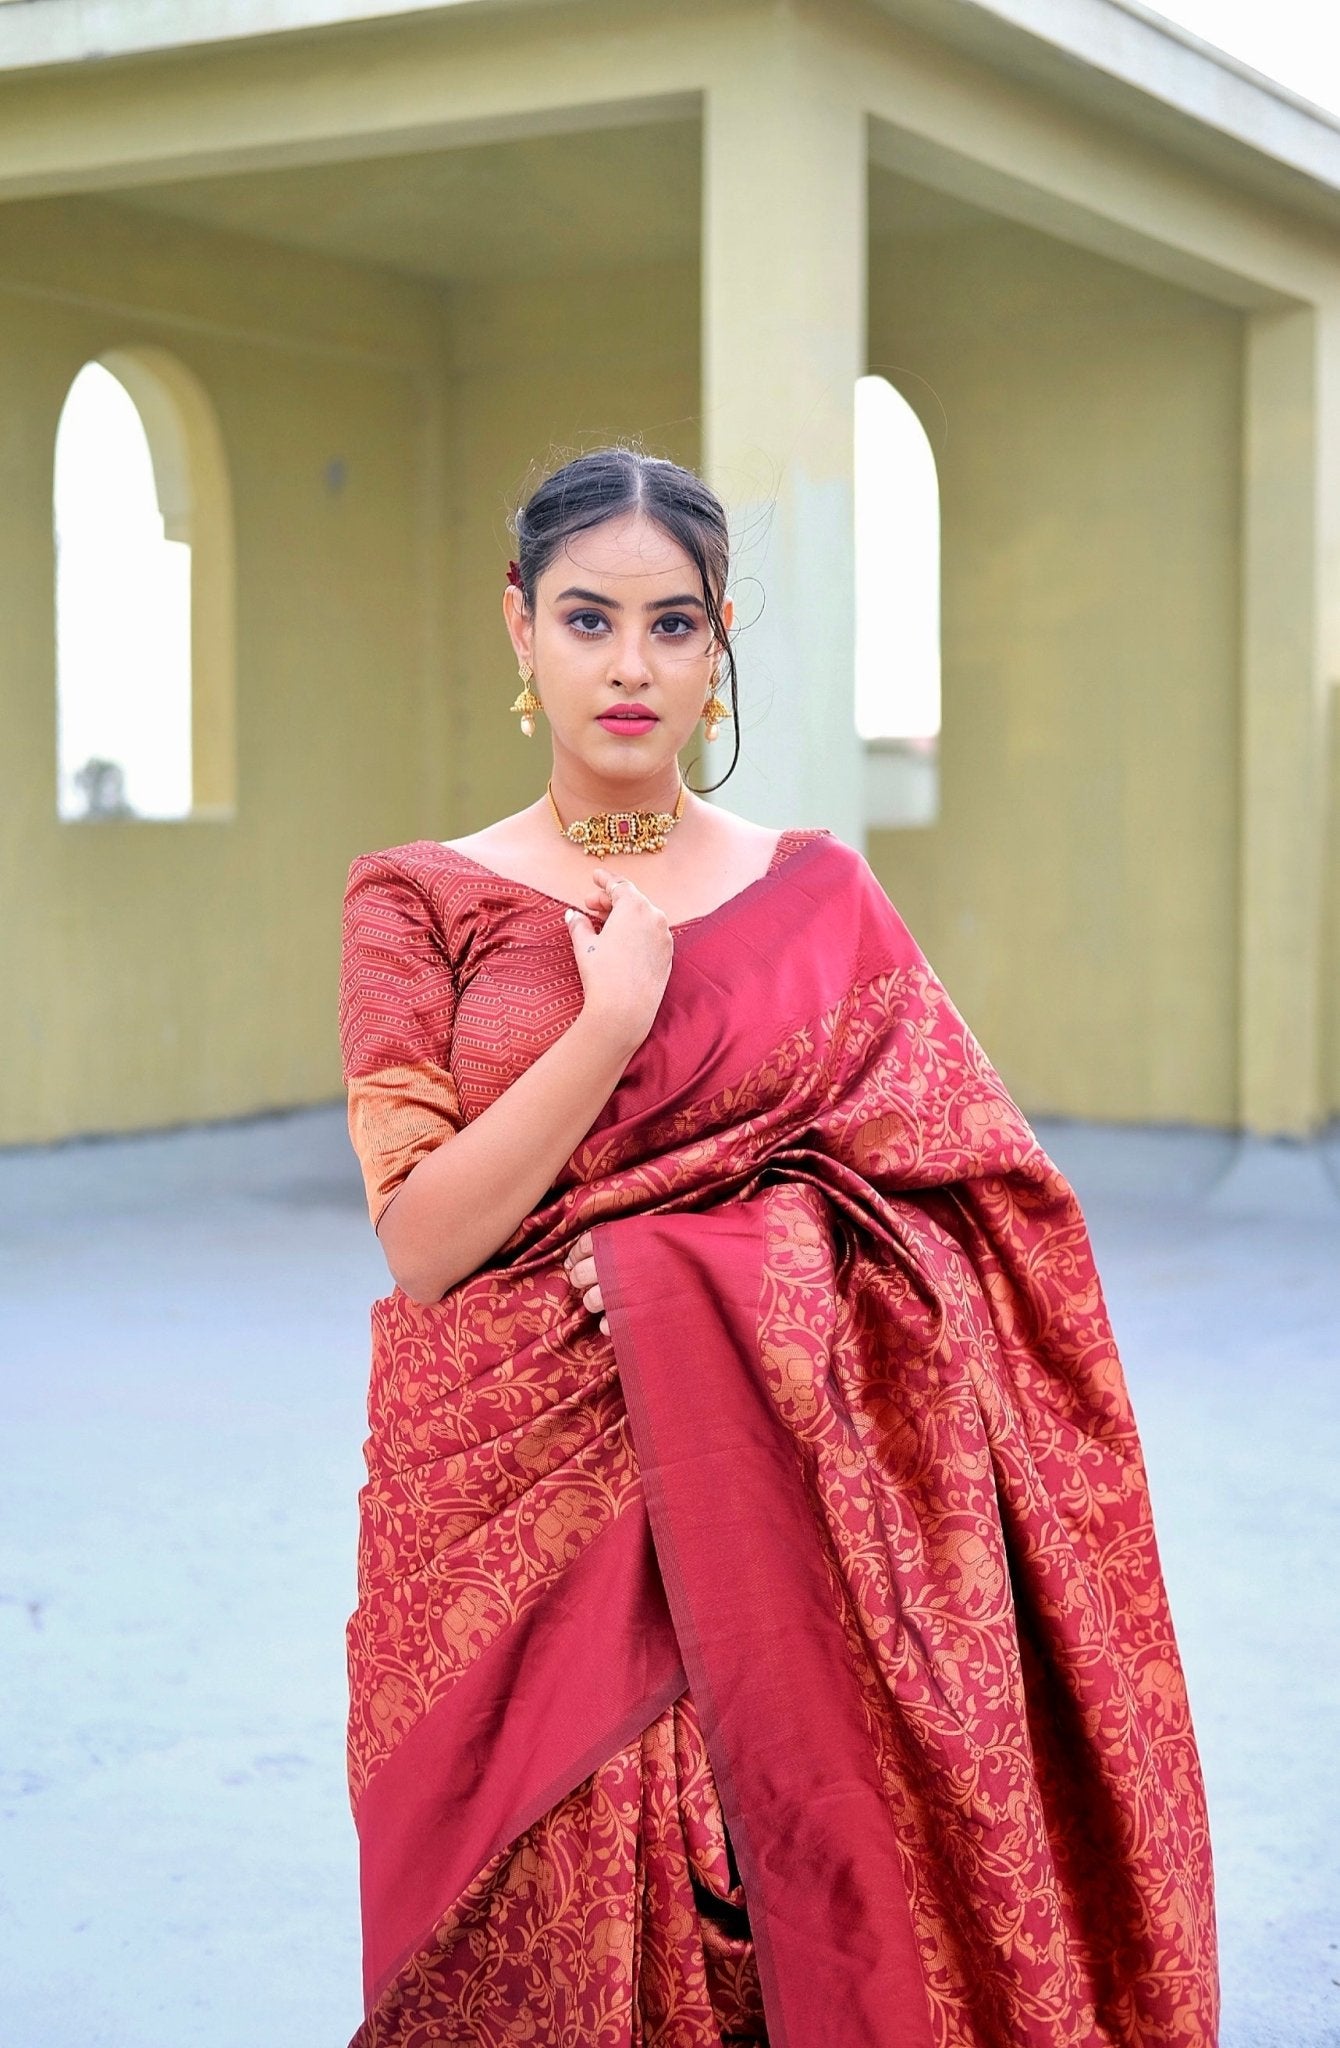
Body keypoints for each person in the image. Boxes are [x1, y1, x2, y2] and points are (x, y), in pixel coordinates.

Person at [338, 446, 1218, 2048]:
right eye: (588, 619)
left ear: (719, 638)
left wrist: (723, 1268)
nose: (628, 665)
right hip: (502, 1533)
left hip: (771, 1506)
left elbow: (988, 1218)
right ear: (516, 630)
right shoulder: (416, 901)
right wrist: (607, 1026)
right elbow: (421, 1242)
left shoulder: (822, 899)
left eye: (672, 626)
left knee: (767, 1927)